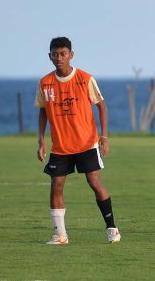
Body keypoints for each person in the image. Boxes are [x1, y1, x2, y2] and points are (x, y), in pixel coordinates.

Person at [36, 36, 121, 244]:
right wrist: (41, 140)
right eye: (55, 54)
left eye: (63, 54)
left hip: (86, 143)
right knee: (56, 185)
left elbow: (101, 106)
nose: (59, 58)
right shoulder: (45, 83)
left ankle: (112, 228)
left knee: (94, 182)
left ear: (71, 55)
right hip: (61, 146)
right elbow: (43, 111)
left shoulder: (85, 78)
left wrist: (104, 136)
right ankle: (60, 235)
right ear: (49, 56)